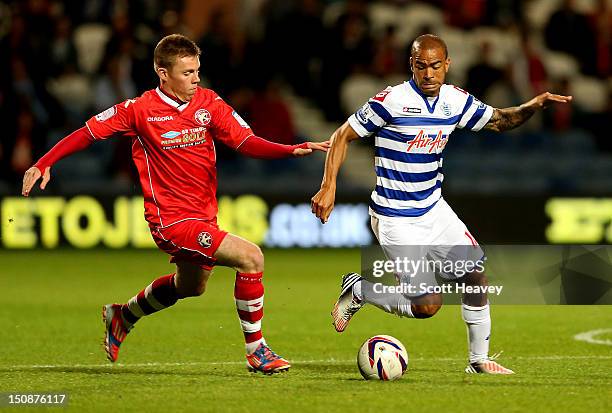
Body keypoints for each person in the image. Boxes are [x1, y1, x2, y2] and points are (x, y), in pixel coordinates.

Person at [22, 34, 329, 374]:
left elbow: (245, 141)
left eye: (197, 71)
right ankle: (257, 351)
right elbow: (87, 133)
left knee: (191, 286)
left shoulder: (209, 103)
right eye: (186, 73)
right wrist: (44, 162)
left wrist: (289, 149)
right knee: (250, 257)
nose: (195, 79)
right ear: (162, 74)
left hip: (203, 218)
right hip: (170, 221)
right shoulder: (138, 111)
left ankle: (122, 315)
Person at [311, 34, 571, 375]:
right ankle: (360, 289)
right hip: (395, 216)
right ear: (412, 66)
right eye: (421, 66)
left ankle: (478, 360)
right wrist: (328, 186)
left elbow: (498, 121)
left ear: (447, 65)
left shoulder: (455, 100)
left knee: (475, 275)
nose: (429, 74)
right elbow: (343, 134)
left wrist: (532, 107)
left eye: (436, 66)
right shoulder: (392, 100)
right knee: (427, 306)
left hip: (434, 208)